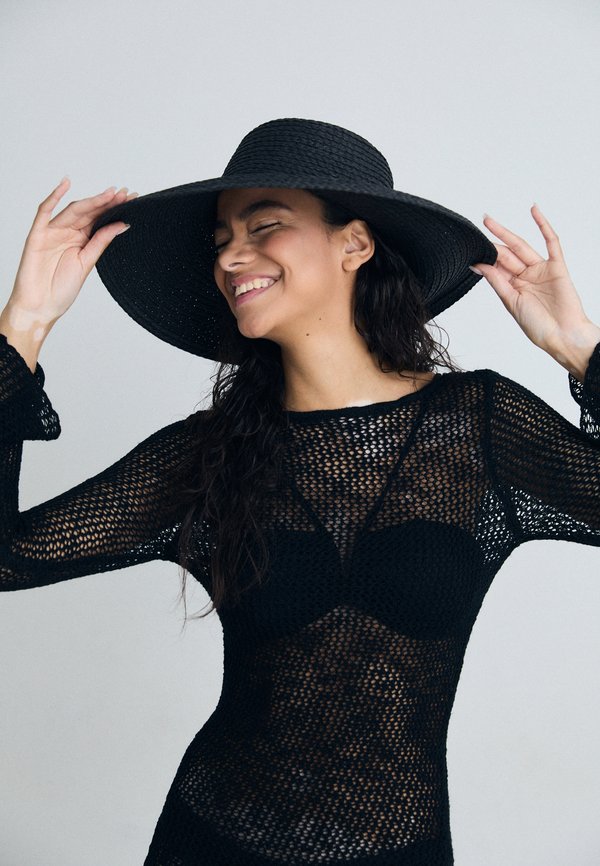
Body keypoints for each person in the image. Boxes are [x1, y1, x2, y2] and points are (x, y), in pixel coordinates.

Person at [1, 117, 599, 866]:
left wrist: (579, 348)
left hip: (400, 850)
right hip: (210, 842)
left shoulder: (478, 427)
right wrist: (22, 328)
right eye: (221, 239)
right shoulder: (209, 456)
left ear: (355, 244)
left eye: (265, 226)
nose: (232, 256)